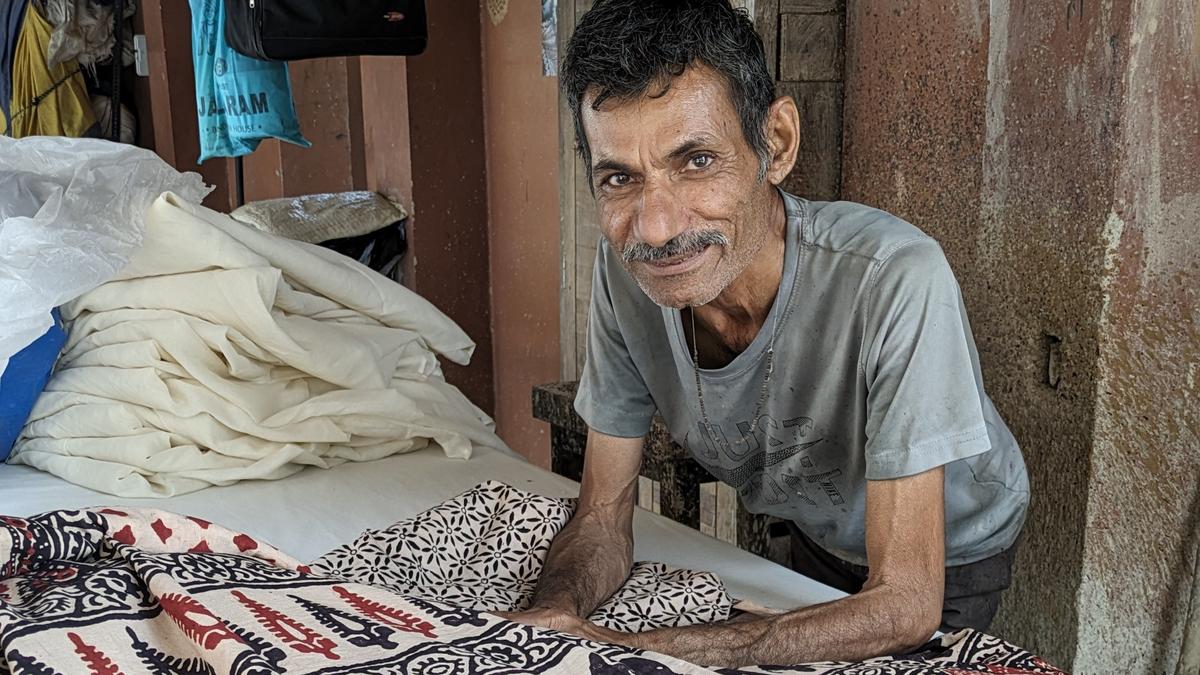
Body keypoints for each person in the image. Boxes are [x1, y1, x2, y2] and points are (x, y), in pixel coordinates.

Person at [505, 0, 1030, 667]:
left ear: (775, 145)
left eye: (696, 161)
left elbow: (905, 600)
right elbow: (604, 518)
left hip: (952, 544)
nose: (658, 228)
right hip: (821, 525)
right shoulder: (626, 275)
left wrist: (653, 651)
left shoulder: (895, 278)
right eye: (620, 178)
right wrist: (555, 612)